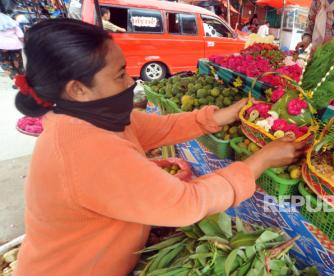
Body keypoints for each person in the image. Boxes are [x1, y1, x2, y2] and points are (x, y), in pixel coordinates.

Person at [14, 19, 304, 275]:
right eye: (119, 75)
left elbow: (159, 128)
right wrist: (261, 161)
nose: (130, 82)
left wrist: (221, 115)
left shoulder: (85, 117)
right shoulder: (82, 146)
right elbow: (188, 203)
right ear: (77, 89)